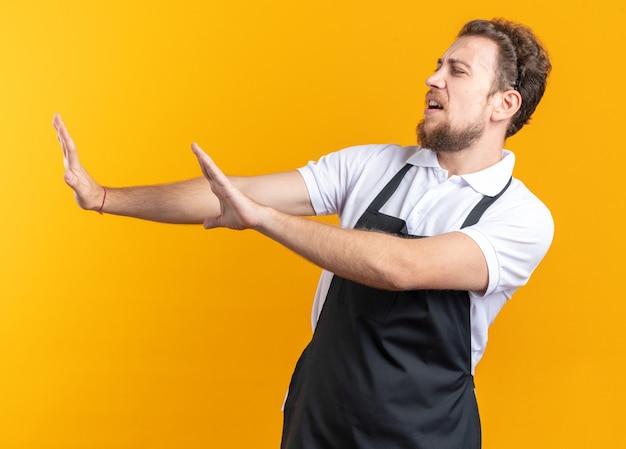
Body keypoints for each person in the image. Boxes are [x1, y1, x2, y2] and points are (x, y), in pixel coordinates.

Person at [53, 18, 553, 449]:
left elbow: (401, 267)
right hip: (320, 420)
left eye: (456, 71)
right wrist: (103, 197)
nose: (432, 78)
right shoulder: (373, 165)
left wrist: (264, 219)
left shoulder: (521, 217)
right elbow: (235, 193)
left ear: (503, 104)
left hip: (425, 435)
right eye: (437, 64)